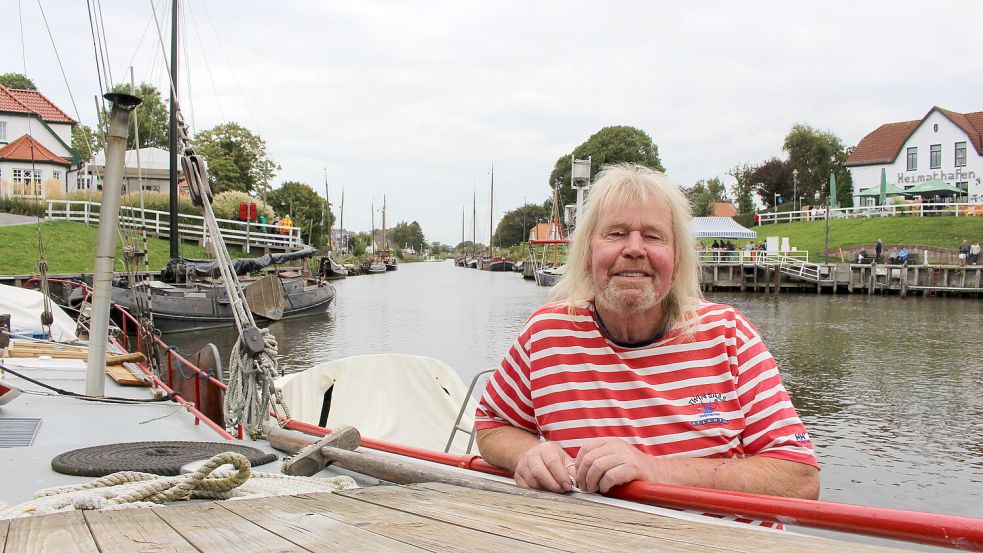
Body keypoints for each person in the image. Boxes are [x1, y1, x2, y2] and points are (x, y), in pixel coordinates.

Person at [474, 164, 819, 500]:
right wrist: (528, 454)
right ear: (586, 254)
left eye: (653, 236)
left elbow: (801, 479)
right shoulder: (546, 334)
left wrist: (657, 471)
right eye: (616, 233)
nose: (635, 248)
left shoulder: (729, 336)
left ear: (678, 259)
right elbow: (491, 424)